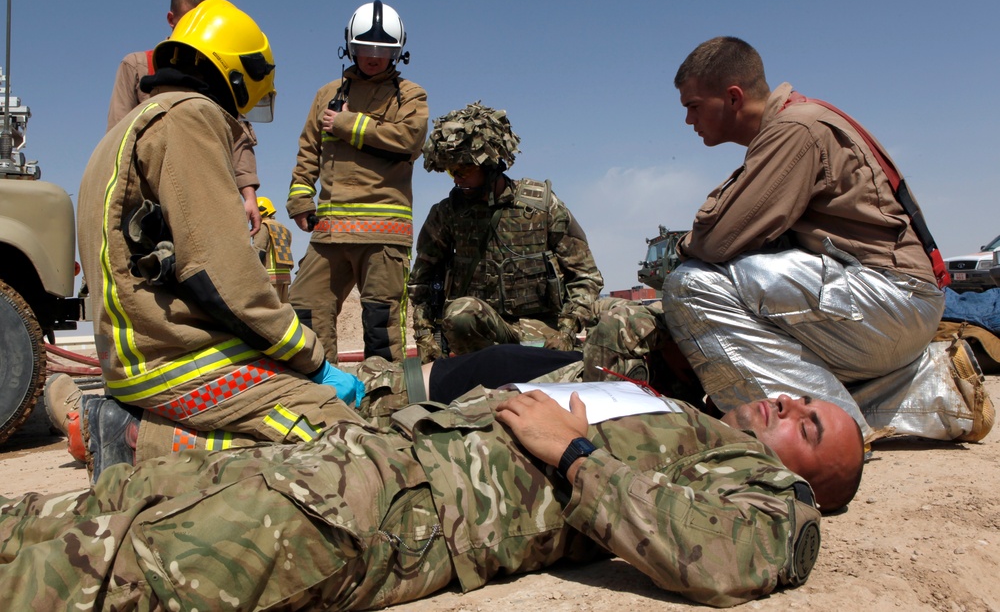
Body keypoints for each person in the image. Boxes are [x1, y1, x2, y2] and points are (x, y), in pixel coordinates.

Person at [1, 369, 864, 609]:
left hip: (398, 515)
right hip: (377, 451)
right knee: (100, 507)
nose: (787, 403)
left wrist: (575, 456)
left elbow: (714, 557)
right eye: (799, 397)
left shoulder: (766, 494)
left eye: (808, 424)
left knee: (123, 572)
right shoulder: (682, 412)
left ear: (812, 484)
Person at [74, 0, 363, 483]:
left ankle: (142, 428)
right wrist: (312, 361)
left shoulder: (134, 123)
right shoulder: (189, 117)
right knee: (346, 445)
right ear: (236, 73)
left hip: (141, 354)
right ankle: (139, 441)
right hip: (172, 360)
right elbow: (220, 275)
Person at [663, 36, 994, 443]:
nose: (688, 121)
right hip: (897, 305)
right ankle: (934, 391)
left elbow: (715, 240)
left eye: (693, 106)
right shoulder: (796, 124)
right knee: (770, 340)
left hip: (890, 299)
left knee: (692, 285)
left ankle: (822, 442)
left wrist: (682, 246)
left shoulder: (794, 129)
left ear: (732, 97)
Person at [287, 0, 427, 363]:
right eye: (366, 47)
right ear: (350, 45)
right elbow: (308, 150)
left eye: (384, 49)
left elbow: (411, 138)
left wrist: (348, 124)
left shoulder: (409, 95)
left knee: (381, 328)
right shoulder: (328, 94)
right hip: (330, 230)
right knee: (304, 311)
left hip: (382, 233)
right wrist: (301, 200)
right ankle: (323, 402)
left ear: (398, 52)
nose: (374, 56)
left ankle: (391, 410)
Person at [410, 102, 604, 361]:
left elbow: (585, 276)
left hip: (542, 330)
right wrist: (426, 339)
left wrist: (567, 332)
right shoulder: (446, 214)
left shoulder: (542, 206)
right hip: (479, 334)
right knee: (460, 314)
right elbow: (422, 281)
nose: (456, 178)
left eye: (464, 169)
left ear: (490, 165)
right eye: (450, 171)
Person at [106, 0, 262, 235]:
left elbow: (238, 136)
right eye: (191, 20)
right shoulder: (137, 65)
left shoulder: (219, 71)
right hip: (152, 202)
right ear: (171, 19)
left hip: (207, 195)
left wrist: (249, 195)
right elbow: (118, 135)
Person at [252, 196, 294, 302]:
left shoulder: (263, 227)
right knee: (284, 310)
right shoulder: (284, 229)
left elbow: (259, 250)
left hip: (269, 279)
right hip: (284, 278)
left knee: (269, 312)